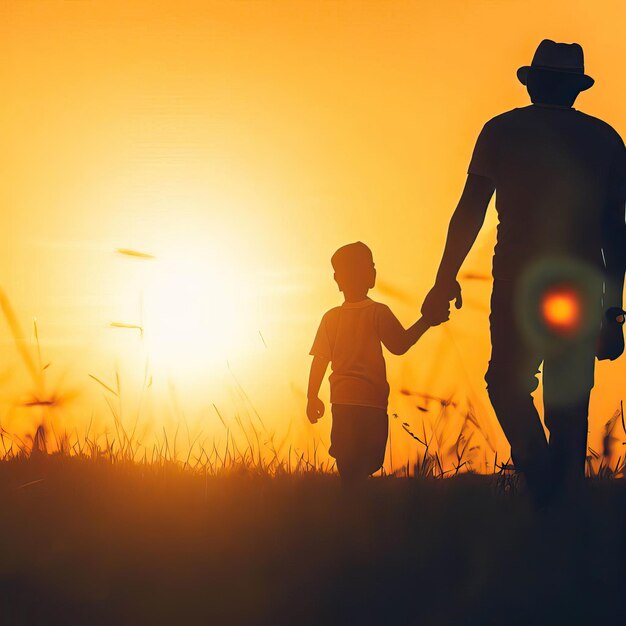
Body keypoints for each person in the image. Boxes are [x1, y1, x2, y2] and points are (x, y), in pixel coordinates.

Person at [421, 39, 626, 505]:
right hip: (580, 287)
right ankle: (563, 504)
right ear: (576, 90)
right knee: (568, 403)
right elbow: (616, 237)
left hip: (516, 284)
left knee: (506, 385)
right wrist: (614, 314)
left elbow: (469, 210)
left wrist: (444, 277)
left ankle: (542, 479)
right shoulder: (606, 140)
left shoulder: (501, 131)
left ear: (533, 85)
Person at [307, 242, 442, 484]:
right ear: (371, 276)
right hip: (371, 403)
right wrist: (426, 321)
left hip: (343, 402)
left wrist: (312, 396)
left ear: (338, 279)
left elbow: (320, 361)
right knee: (368, 460)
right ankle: (357, 504)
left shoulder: (332, 319)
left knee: (349, 463)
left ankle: (353, 500)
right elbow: (400, 345)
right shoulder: (377, 312)